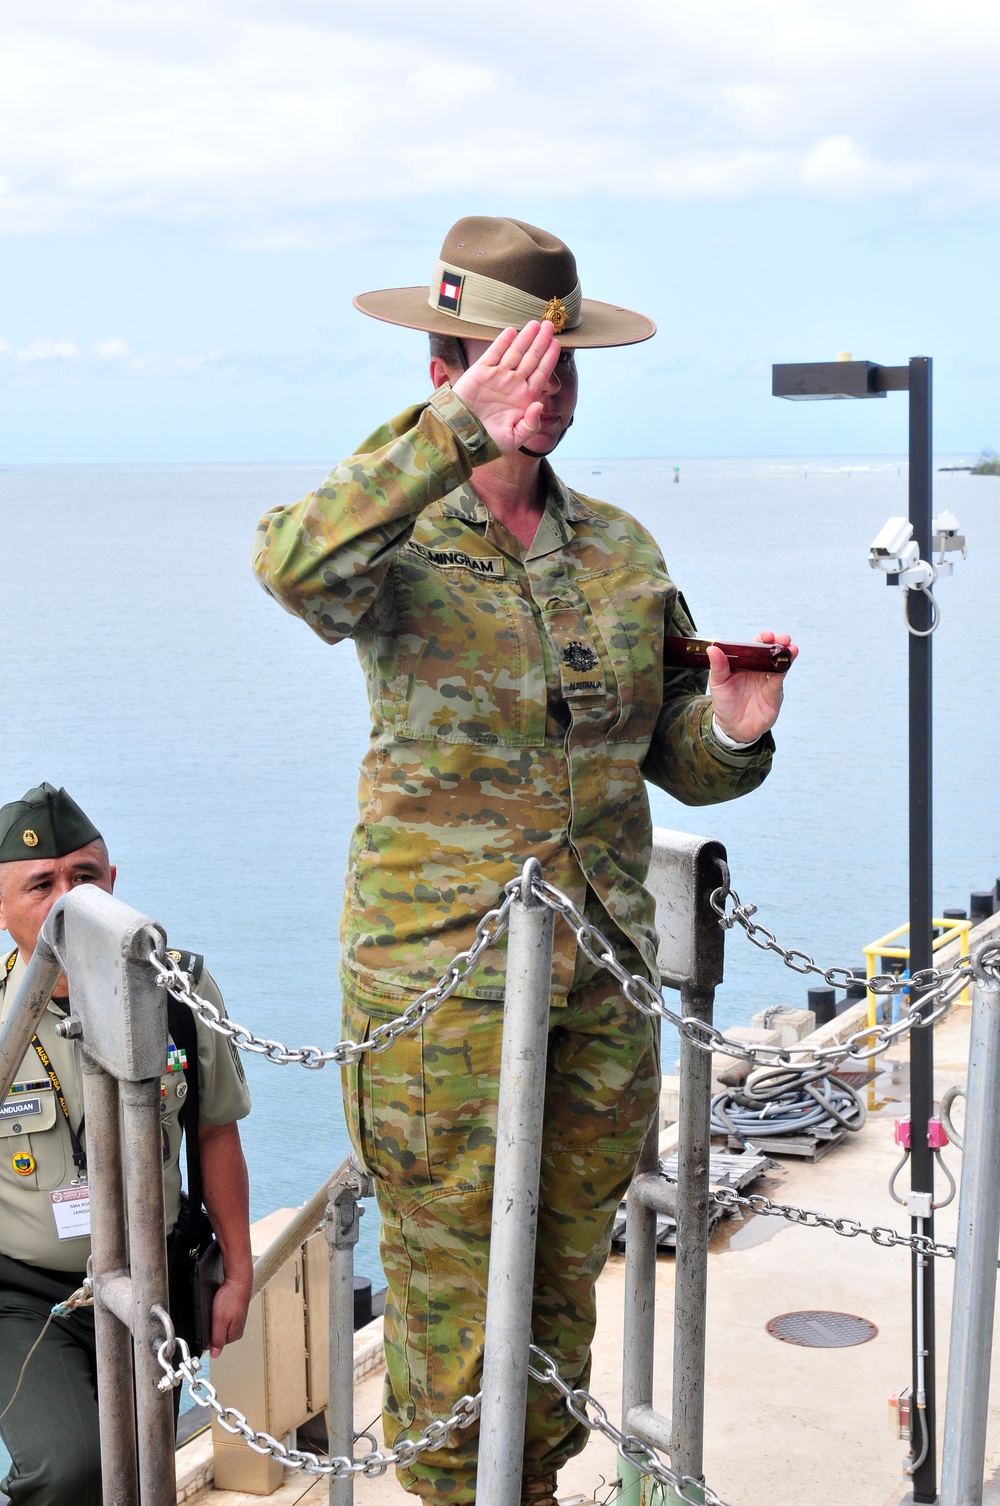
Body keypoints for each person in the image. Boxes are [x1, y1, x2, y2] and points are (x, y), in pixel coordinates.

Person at [252, 216, 796, 1505]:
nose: (544, 392)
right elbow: (290, 569)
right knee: (450, 1298)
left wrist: (729, 727)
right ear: (447, 364)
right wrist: (456, 438)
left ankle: (533, 1488)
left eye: (562, 367)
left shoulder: (616, 548)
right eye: (517, 363)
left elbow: (664, 752)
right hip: (443, 979)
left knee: (562, 1276)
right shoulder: (393, 526)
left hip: (598, 980)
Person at [0, 783, 253, 1506]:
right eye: (40, 885)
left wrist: (238, 1271)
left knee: (141, 1476)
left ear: (112, 886)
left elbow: (215, 1132)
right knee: (68, 1467)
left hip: (151, 1279)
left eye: (84, 878)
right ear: (0, 909)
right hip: (21, 1292)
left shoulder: (178, 990)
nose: (67, 900)